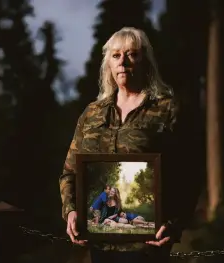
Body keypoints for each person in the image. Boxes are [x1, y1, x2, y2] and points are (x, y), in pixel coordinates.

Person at [59, 27, 202, 263]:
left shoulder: (167, 110)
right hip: (99, 245)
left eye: (131, 54)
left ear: (146, 61)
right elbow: (70, 172)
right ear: (108, 65)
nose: (123, 62)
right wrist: (71, 211)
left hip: (148, 247)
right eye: (116, 56)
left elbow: (189, 176)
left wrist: (175, 225)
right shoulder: (92, 113)